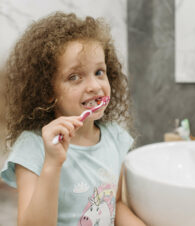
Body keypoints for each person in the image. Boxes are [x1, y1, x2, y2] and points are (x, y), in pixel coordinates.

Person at [0, 12, 145, 226]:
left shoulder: (116, 138)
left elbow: (114, 204)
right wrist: (52, 162)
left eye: (99, 72)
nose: (95, 86)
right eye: (74, 77)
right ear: (48, 91)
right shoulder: (33, 147)